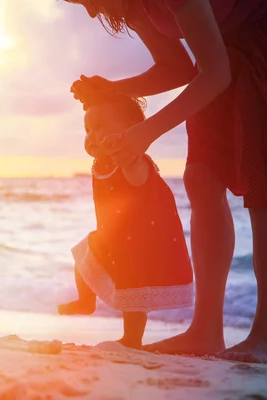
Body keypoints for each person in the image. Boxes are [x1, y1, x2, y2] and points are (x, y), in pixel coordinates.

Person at [63, 0, 267, 364]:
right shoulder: (133, 7)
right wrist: (111, 90)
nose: (92, 13)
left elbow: (214, 73)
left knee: (263, 180)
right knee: (201, 177)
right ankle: (206, 330)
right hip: (221, 46)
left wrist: (147, 131)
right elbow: (176, 68)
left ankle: (266, 339)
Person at [57, 91, 194, 349]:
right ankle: (85, 301)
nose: (92, 136)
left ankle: (132, 338)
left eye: (99, 128)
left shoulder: (132, 160)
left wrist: (127, 155)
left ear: (132, 132)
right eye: (87, 130)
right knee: (83, 254)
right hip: (115, 237)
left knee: (135, 291)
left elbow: (137, 180)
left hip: (140, 242)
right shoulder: (103, 162)